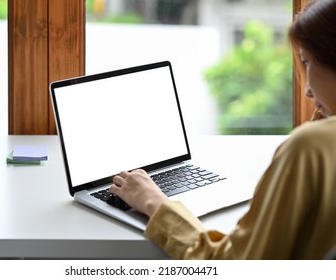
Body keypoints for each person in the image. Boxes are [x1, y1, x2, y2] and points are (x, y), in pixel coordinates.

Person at [109, 0, 336, 259]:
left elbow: (229, 267)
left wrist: (155, 203)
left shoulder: (312, 148)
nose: (306, 89)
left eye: (307, 62)